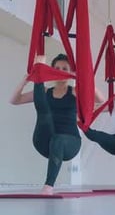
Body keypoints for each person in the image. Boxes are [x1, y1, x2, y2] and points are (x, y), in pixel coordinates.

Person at [10, 54, 104, 194]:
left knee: (58, 139)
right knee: (44, 111)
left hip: (69, 144)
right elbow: (15, 100)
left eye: (64, 69)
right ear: (51, 71)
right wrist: (25, 81)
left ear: (70, 72)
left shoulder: (75, 92)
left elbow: (101, 102)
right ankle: (39, 73)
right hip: (44, 141)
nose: (60, 71)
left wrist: (82, 79)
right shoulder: (45, 92)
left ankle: (48, 186)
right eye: (57, 68)